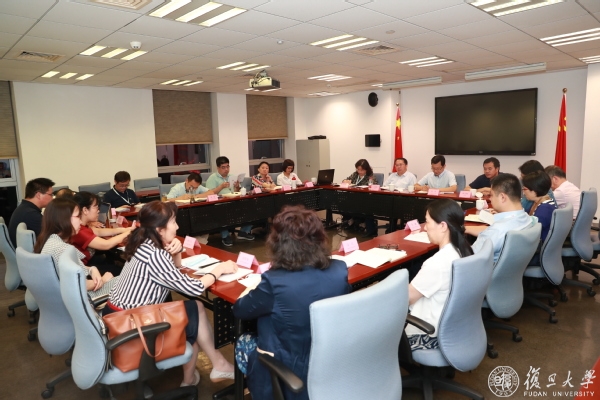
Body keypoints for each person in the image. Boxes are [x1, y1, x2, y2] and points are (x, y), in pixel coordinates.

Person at [102, 201, 237, 387]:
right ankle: (202, 373)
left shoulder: (145, 243)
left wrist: (177, 251)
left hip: (119, 316)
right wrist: (219, 269)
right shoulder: (154, 255)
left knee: (194, 309)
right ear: (159, 229)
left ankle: (207, 370)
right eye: (173, 222)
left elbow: (175, 269)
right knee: (193, 317)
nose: (177, 227)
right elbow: (194, 288)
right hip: (129, 325)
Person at [233, 205, 349, 400]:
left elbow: (240, 310)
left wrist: (251, 290)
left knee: (244, 340)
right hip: (330, 357)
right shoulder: (340, 269)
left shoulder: (274, 281)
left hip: (292, 368)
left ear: (278, 243)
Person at [406, 199, 473, 350]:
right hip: (455, 327)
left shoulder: (437, 263)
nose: (424, 228)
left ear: (443, 226)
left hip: (430, 335)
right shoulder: (464, 250)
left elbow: (405, 299)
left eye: (427, 222)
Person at [33, 198, 117, 299]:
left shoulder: (51, 241)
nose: (81, 221)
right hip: (86, 299)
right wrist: (104, 280)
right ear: (64, 219)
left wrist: (92, 269)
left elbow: (71, 272)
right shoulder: (63, 249)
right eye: (78, 217)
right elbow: (81, 285)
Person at [466, 173, 535, 262]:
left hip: (483, 269)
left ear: (502, 197)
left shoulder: (497, 230)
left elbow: (468, 258)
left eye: (491, 195)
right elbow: (492, 232)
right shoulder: (527, 218)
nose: (490, 199)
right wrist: (465, 228)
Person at [71, 191, 135, 276]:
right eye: (95, 207)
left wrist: (124, 230)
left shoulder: (83, 225)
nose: (98, 210)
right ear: (85, 210)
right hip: (85, 269)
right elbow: (106, 244)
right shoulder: (79, 230)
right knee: (121, 270)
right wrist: (129, 232)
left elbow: (98, 231)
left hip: (90, 260)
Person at [205, 156, 254, 246]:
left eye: (227, 167)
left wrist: (237, 186)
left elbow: (235, 192)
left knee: (251, 206)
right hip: (219, 204)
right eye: (223, 167)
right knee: (221, 211)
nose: (226, 169)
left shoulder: (232, 176)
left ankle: (243, 232)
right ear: (218, 168)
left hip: (233, 201)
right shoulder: (212, 178)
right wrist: (221, 187)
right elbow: (209, 194)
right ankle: (225, 236)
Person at [8, 177, 54, 247]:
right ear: (38, 195)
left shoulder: (25, 208)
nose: (52, 198)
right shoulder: (31, 214)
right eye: (51, 194)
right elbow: (53, 236)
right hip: (33, 252)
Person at [341, 159, 378, 236]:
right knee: (341, 202)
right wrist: (345, 181)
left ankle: (368, 228)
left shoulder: (370, 176)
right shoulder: (355, 174)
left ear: (366, 169)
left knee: (365, 206)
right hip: (353, 197)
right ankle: (351, 221)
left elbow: (374, 186)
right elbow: (346, 180)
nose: (360, 171)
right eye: (358, 169)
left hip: (365, 199)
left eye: (362, 170)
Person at [522, 171, 557, 242]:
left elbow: (532, 230)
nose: (523, 192)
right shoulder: (539, 202)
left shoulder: (545, 209)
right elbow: (525, 216)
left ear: (534, 190)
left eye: (525, 189)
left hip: (538, 244)